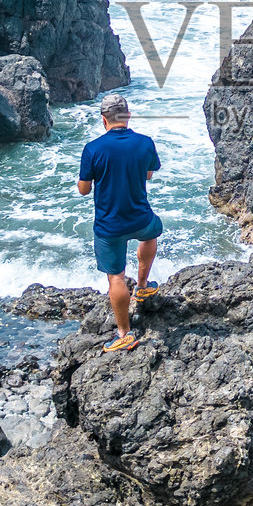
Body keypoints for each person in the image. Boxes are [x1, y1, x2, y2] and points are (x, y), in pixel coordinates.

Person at [77, 93, 163, 353]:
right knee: (151, 232)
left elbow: (83, 189)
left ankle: (125, 333)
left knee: (115, 276)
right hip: (140, 217)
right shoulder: (145, 142)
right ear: (128, 115)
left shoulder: (93, 149)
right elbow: (148, 173)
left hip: (109, 226)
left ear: (104, 120)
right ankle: (143, 286)